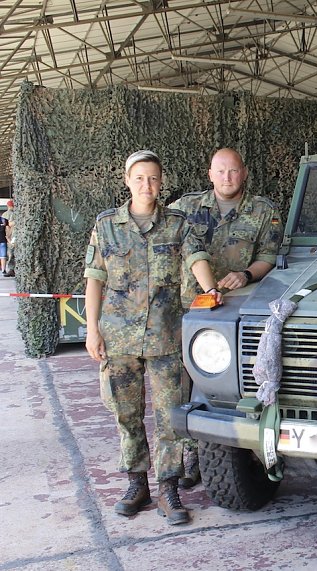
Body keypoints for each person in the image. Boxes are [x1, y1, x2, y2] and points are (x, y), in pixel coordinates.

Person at [84, 150, 222, 526]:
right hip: (119, 339)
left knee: (169, 417)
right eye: (140, 178)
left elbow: (196, 257)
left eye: (154, 179)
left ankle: (169, 489)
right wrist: (92, 329)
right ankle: (136, 484)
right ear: (128, 181)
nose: (147, 185)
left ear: (162, 183)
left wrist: (212, 290)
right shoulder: (107, 225)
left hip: (165, 337)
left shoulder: (176, 223)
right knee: (126, 415)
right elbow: (95, 277)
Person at [168, 147, 283, 488]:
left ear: (244, 173)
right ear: (210, 174)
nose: (227, 178)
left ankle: (224, 450)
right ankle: (189, 456)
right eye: (221, 172)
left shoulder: (263, 210)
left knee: (222, 383)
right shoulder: (186, 208)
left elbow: (270, 256)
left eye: (233, 171)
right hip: (188, 306)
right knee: (180, 380)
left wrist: (246, 275)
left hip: (233, 309)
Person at [4, 199, 14, 277]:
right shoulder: (14, 214)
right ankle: (12, 269)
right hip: (12, 236)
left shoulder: (4, 214)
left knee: (9, 253)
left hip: (7, 236)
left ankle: (11, 269)